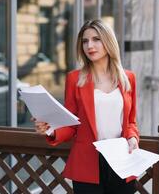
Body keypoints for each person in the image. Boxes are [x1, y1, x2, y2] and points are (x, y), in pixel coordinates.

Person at [33, 19, 139, 194]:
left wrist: (133, 138)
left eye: (96, 39)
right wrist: (50, 129)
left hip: (122, 160)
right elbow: (72, 124)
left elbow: (130, 122)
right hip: (87, 163)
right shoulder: (75, 79)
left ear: (108, 42)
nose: (90, 45)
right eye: (85, 41)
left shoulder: (128, 78)